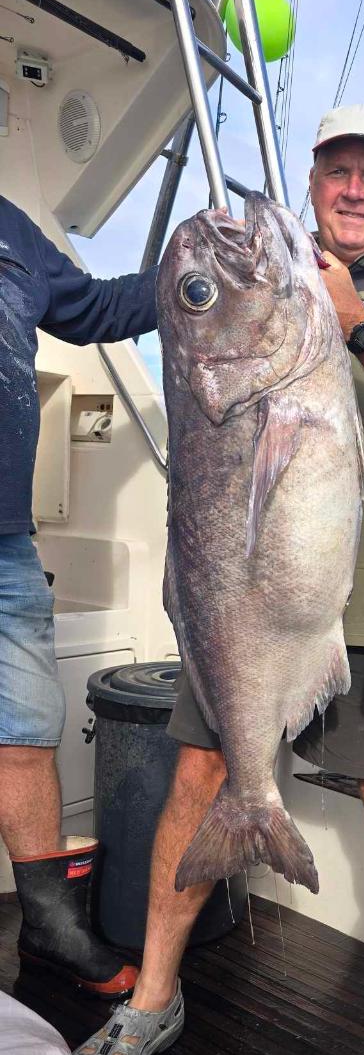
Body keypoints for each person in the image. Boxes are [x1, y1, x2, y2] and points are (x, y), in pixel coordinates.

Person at [74, 106, 364, 1055]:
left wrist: (361, 323)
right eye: (336, 169)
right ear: (312, 180)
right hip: (242, 597)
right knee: (199, 780)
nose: (353, 188)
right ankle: (152, 997)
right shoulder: (275, 271)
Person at [1, 195, 153, 998]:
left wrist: (196, 275)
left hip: (4, 541)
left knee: (29, 729)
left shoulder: (12, 227)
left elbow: (95, 307)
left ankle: (51, 929)